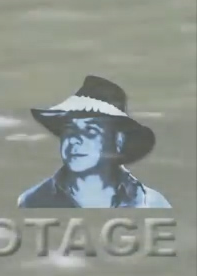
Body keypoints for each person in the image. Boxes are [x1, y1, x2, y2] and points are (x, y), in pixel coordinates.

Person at [17, 75, 171, 209]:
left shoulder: (151, 204)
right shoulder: (31, 203)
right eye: (70, 130)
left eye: (90, 130)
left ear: (118, 141)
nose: (75, 139)